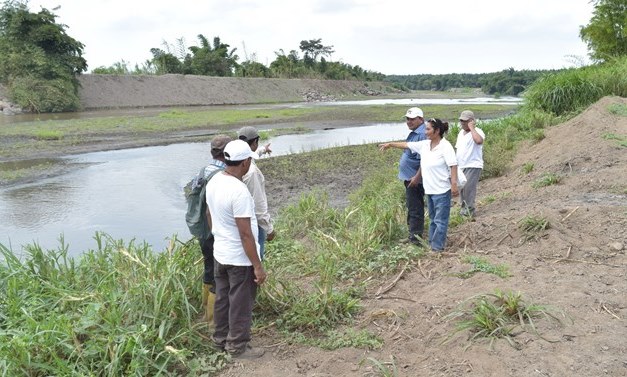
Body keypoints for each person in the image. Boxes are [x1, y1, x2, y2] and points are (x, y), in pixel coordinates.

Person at [205, 139, 267, 359]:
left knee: (223, 299)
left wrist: (219, 235)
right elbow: (245, 234)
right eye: (250, 160)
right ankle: (237, 347)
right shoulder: (238, 191)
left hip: (220, 254)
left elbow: (209, 215)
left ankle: (220, 341)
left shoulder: (214, 182)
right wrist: (257, 266)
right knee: (240, 303)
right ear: (244, 163)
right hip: (239, 260)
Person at [380, 118, 459, 252]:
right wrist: (390, 144)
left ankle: (437, 248)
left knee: (440, 220)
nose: (425, 132)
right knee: (433, 219)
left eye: (428, 129)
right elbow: (407, 145)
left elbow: (453, 165)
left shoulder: (445, 146)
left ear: (437, 131)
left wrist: (454, 185)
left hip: (442, 190)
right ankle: (433, 245)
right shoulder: (425, 145)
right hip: (430, 190)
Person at [194, 134, 232, 323]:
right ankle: (213, 322)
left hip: (202, 231)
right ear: (226, 153)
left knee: (209, 269)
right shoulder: (222, 175)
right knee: (219, 276)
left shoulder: (203, 171)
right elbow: (212, 210)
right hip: (215, 231)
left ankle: (205, 312)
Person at [237, 126, 275, 259]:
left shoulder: (236, 160)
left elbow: (253, 154)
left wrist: (264, 149)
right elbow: (258, 205)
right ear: (254, 142)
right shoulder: (251, 172)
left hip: (238, 219)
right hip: (253, 222)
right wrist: (269, 228)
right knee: (256, 256)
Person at [395, 107, 428, 245]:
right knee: (412, 206)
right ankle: (412, 235)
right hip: (410, 177)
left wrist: (416, 177)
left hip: (415, 180)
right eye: (407, 119)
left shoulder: (422, 134)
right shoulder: (415, 133)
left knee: (415, 208)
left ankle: (415, 240)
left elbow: (425, 159)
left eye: (412, 119)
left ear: (421, 119)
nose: (409, 121)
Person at [455, 110, 485, 218]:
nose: (462, 123)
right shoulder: (460, 133)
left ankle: (469, 212)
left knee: (468, 188)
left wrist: (472, 128)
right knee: (462, 189)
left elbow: (479, 141)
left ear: (471, 121)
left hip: (473, 165)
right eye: (461, 121)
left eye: (465, 121)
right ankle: (464, 210)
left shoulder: (477, 131)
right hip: (461, 166)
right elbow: (458, 149)